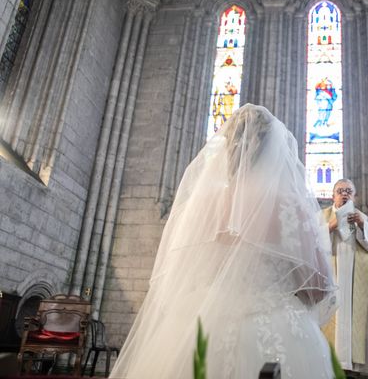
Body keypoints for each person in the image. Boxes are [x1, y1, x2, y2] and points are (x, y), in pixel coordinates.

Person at [111, 104, 337, 379]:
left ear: (227, 147)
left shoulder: (201, 205)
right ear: (274, 152)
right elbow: (317, 287)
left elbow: (180, 276)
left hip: (197, 326)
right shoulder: (288, 207)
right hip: (274, 328)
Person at [321, 179, 368, 377]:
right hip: (331, 280)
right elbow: (309, 244)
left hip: (356, 279)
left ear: (354, 196)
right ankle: (327, 363)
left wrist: (363, 225)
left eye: (349, 191)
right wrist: (329, 227)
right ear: (333, 196)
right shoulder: (322, 217)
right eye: (340, 191)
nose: (344, 194)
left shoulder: (362, 218)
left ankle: (355, 368)